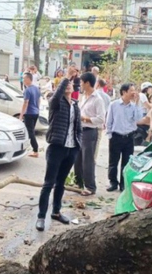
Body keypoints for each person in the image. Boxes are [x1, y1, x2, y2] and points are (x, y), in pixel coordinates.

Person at [35, 66, 82, 232]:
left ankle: (56, 212)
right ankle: (41, 216)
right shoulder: (55, 102)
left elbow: (78, 128)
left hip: (71, 149)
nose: (69, 85)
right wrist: (67, 77)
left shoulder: (75, 105)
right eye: (66, 84)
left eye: (71, 83)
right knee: (49, 183)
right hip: (57, 148)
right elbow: (56, 95)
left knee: (61, 183)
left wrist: (78, 145)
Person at [106, 83, 143, 192]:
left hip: (129, 137)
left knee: (126, 162)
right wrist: (109, 135)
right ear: (124, 92)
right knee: (113, 162)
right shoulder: (114, 105)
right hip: (116, 136)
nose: (134, 92)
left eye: (134, 90)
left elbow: (138, 118)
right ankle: (113, 182)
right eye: (131, 90)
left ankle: (123, 184)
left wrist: (137, 103)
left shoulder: (134, 106)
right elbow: (109, 121)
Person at [75, 72, 105, 196]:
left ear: (87, 83)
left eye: (82, 82)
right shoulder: (83, 97)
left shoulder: (97, 99)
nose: (80, 85)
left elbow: (101, 119)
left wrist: (85, 119)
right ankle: (78, 183)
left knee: (88, 160)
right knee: (77, 159)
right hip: (80, 131)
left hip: (90, 131)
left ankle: (90, 186)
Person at [20, 73, 41, 158]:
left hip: (29, 113)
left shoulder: (27, 90)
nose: (23, 81)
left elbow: (26, 103)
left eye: (24, 79)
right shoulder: (36, 88)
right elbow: (39, 100)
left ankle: (35, 150)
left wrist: (21, 115)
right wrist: (37, 109)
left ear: (29, 79)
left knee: (30, 132)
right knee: (31, 131)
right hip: (36, 113)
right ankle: (32, 148)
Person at [94, 79, 111, 163]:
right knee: (97, 142)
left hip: (90, 122)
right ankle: (94, 159)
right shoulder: (107, 97)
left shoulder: (93, 94)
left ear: (97, 84)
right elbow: (108, 111)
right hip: (101, 122)